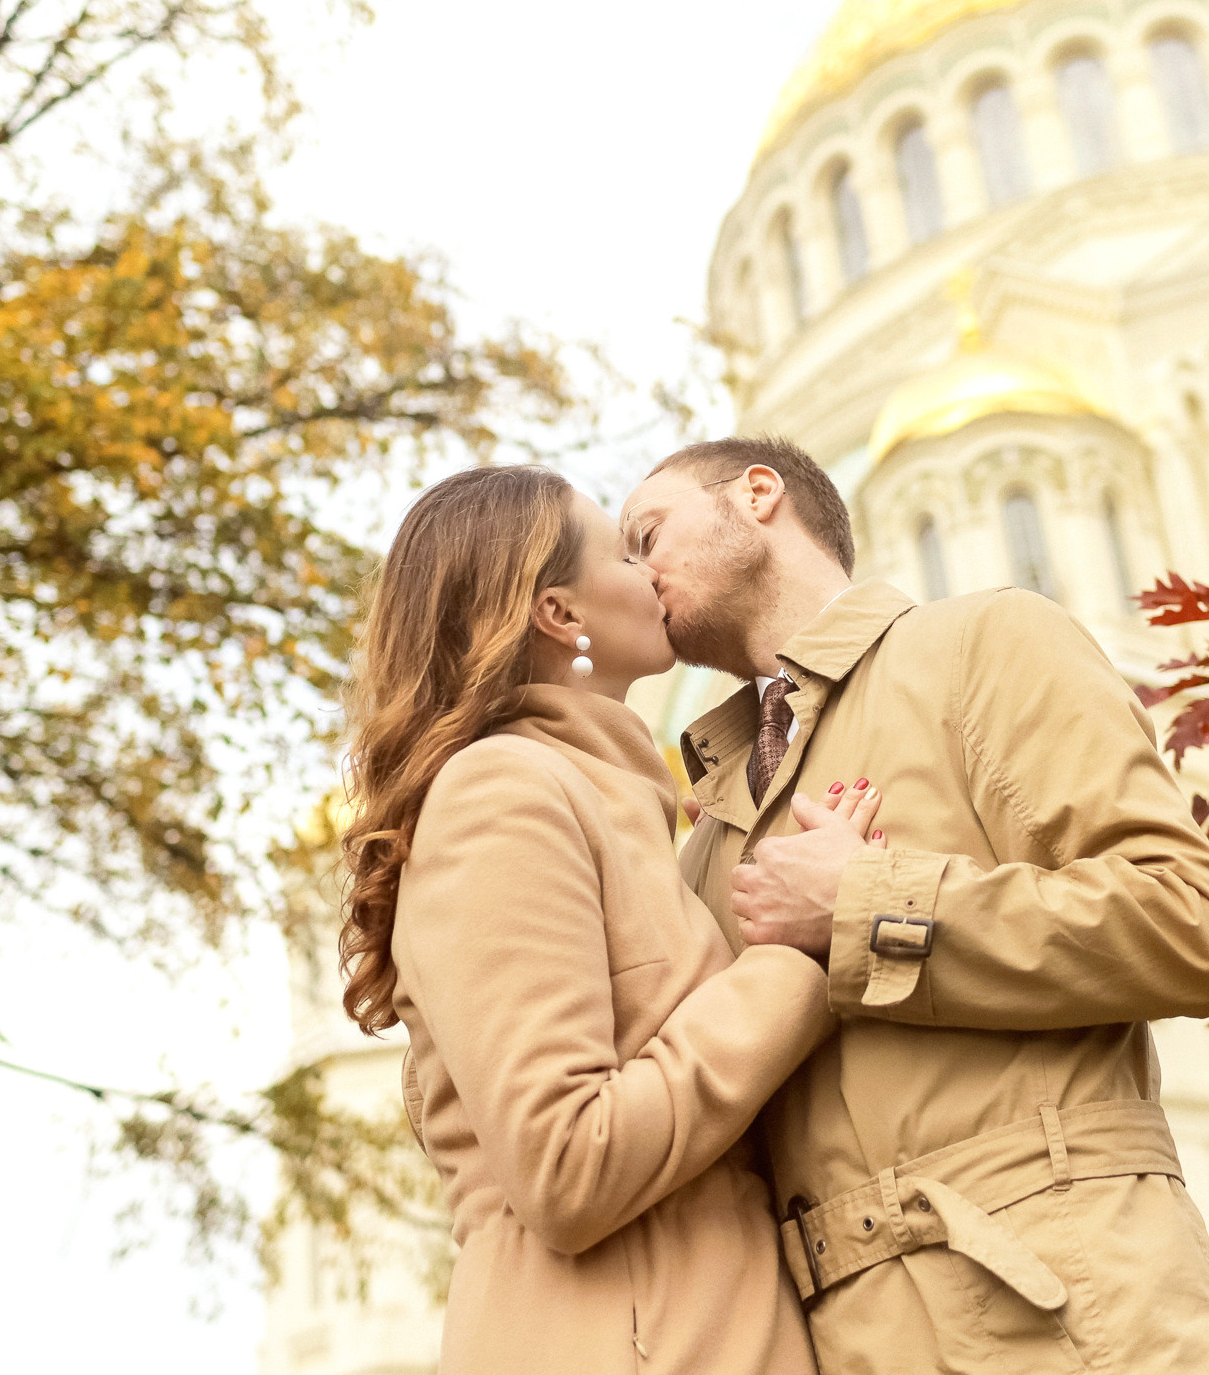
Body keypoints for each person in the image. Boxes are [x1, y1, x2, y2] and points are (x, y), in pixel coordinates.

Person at [618, 437, 1209, 1375]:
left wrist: (861, 903)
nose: (635, 578)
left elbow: (1190, 926)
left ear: (758, 495)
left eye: (647, 535)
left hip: (1078, 1313)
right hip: (844, 1342)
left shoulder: (985, 642)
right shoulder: (705, 834)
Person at [337, 464, 881, 1375]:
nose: (651, 569)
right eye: (626, 553)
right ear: (560, 614)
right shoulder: (502, 792)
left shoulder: (610, 802)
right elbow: (565, 1161)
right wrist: (797, 958)